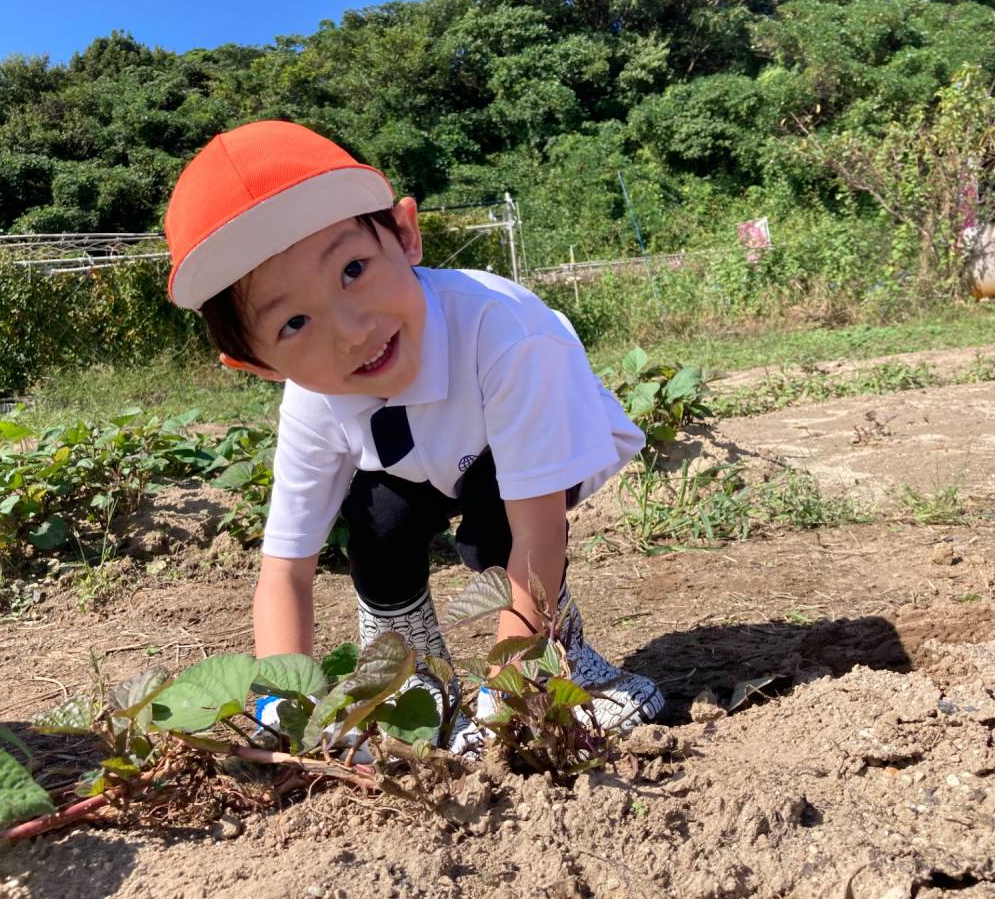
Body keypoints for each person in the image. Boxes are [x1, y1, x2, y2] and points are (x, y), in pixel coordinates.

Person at [163, 121, 663, 749]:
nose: (350, 331)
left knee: (495, 532)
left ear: (405, 234)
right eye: (293, 322)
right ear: (257, 366)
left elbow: (539, 527)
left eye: (352, 268)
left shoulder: (508, 334)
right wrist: (282, 708)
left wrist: (512, 689)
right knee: (376, 528)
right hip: (421, 465)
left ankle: (572, 670)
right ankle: (413, 679)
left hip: (533, 450)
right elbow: (286, 569)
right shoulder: (311, 398)